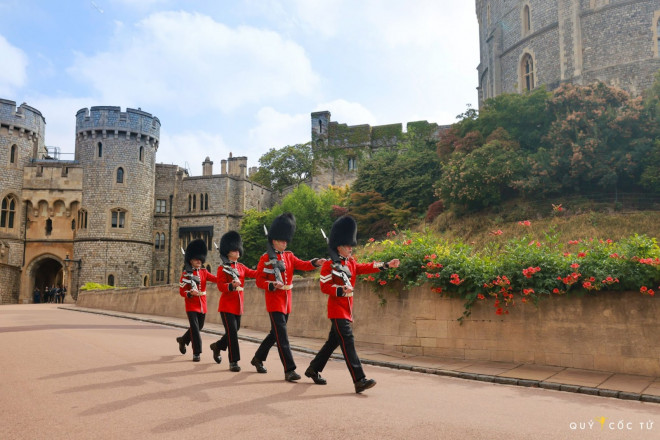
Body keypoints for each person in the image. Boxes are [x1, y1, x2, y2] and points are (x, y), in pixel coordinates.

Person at [305, 215, 400, 393]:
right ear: (339, 246)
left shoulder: (351, 263)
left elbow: (366, 267)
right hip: (336, 310)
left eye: (350, 245)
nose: (350, 248)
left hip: (347, 309)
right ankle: (359, 379)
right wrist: (341, 290)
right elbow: (325, 287)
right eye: (348, 245)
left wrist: (386, 265)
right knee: (348, 340)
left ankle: (313, 369)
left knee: (332, 342)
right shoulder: (328, 265)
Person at [251, 213, 327, 381]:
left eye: (286, 241)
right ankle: (289, 369)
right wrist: (271, 285)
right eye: (281, 240)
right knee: (282, 337)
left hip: (286, 301)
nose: (284, 243)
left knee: (275, 334)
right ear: (274, 241)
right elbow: (259, 280)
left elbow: (303, 265)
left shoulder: (289, 256)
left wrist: (316, 262)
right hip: (274, 301)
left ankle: (257, 358)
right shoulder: (265, 258)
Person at [209, 231, 257, 372]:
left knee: (234, 331)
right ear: (228, 252)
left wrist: (266, 268)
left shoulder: (241, 267)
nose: (237, 252)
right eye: (234, 250)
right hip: (226, 306)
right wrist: (231, 285)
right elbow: (220, 286)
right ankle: (234, 361)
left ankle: (217, 346)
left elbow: (254, 273)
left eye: (238, 250)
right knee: (233, 334)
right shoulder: (222, 268)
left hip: (238, 306)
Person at [177, 239, 218, 362]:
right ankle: (196, 353)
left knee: (199, 326)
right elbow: (181, 291)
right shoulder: (185, 274)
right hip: (191, 305)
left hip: (202, 304)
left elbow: (216, 279)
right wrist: (189, 293)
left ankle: (183, 340)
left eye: (200, 259)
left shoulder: (204, 272)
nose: (199, 261)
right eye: (196, 259)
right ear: (191, 260)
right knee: (195, 329)